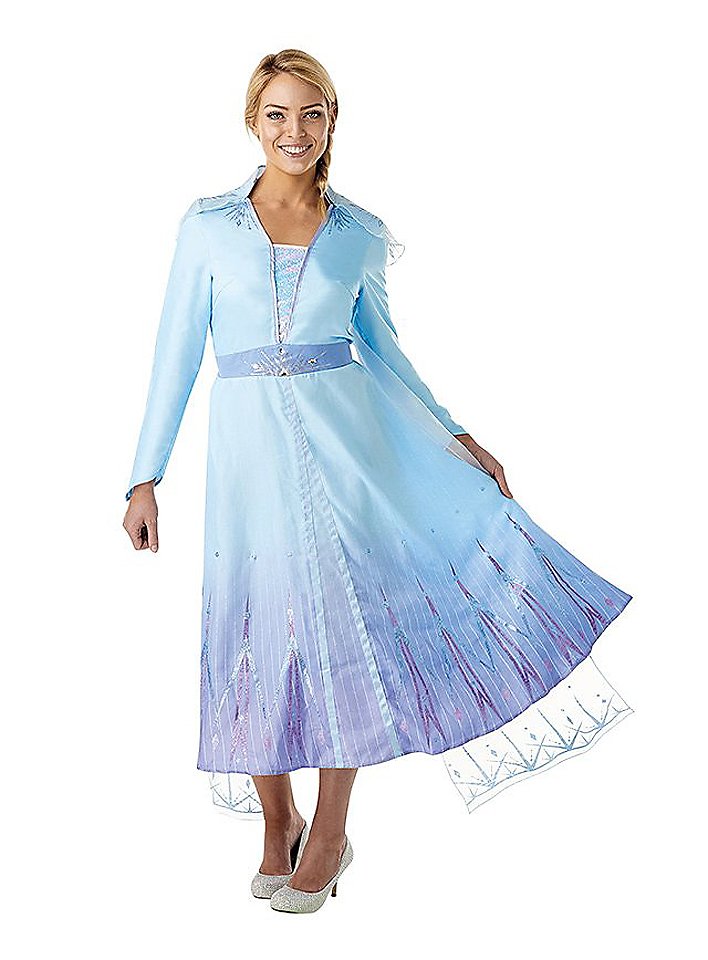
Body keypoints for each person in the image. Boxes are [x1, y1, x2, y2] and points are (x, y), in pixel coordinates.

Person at [123, 49, 633, 914]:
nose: (294, 130)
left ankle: (330, 830)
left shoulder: (357, 233)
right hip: (246, 466)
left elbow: (386, 353)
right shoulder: (208, 225)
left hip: (348, 457)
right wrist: (145, 476)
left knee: (337, 632)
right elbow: (175, 350)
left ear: (331, 123)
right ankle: (276, 820)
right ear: (253, 122)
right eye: (278, 113)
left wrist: (456, 433)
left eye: (311, 113)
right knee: (254, 632)